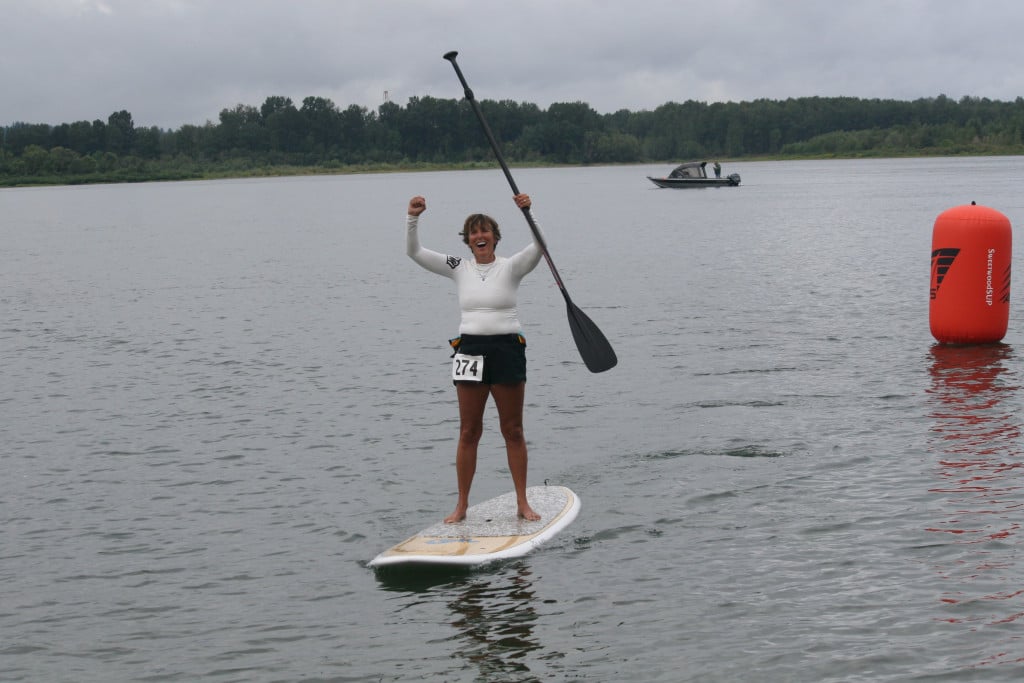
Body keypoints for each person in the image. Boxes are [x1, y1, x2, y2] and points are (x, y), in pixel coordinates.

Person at [406, 193, 543, 523]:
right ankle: (462, 505)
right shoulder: (458, 267)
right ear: (468, 241)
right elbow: (414, 252)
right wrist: (413, 218)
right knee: (468, 431)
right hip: (469, 350)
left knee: (512, 430)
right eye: (473, 232)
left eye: (485, 231)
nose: (479, 236)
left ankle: (522, 503)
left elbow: (540, 246)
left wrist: (529, 212)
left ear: (495, 237)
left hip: (508, 349)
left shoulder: (511, 266)